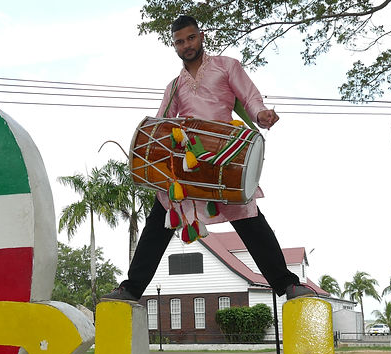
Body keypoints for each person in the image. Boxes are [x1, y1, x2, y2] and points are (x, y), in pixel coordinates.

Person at [103, 15, 315, 302]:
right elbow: (163, 122)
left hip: (224, 159)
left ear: (201, 36)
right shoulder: (175, 86)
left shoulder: (227, 66)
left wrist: (261, 114)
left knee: (250, 221)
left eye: (191, 38)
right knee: (159, 220)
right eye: (180, 41)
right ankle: (131, 288)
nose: (187, 45)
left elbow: (250, 98)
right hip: (188, 164)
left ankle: (287, 284)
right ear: (174, 46)